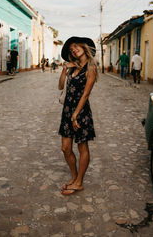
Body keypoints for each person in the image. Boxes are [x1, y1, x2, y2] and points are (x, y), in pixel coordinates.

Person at [58, 36, 97, 196]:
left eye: (75, 46)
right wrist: (64, 69)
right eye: (71, 49)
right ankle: (74, 177)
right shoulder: (73, 68)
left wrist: (75, 115)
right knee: (65, 148)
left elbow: (86, 94)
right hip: (67, 110)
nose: (73, 49)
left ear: (83, 46)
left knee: (82, 147)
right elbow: (60, 86)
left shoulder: (91, 68)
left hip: (80, 113)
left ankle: (79, 182)